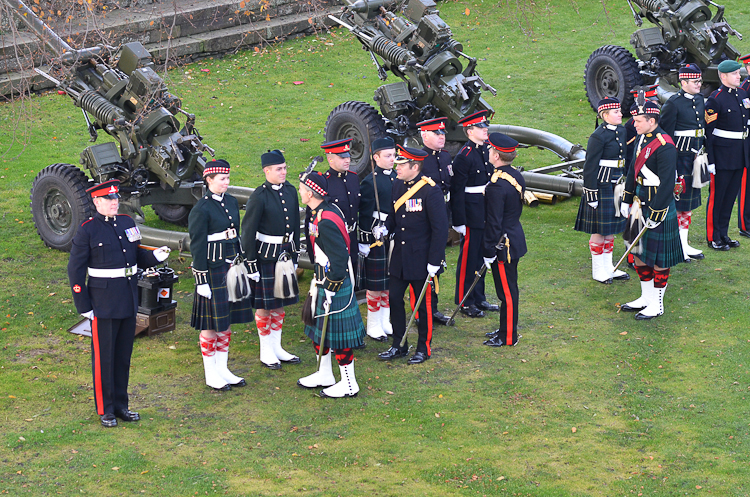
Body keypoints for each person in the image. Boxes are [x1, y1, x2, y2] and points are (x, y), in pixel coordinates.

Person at [68, 179, 169, 427]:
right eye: (108, 200)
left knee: (123, 356)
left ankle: (122, 406)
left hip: (127, 297)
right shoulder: (88, 229)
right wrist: (84, 307)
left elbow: (136, 256)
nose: (114, 203)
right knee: (104, 358)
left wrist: (154, 256)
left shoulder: (126, 222)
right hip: (102, 301)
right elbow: (75, 270)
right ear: (96, 202)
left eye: (115, 199)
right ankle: (106, 409)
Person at [377, 146, 449, 364]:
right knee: (395, 299)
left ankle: (423, 348)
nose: (397, 167)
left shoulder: (431, 190)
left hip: (422, 258)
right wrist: (386, 227)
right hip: (400, 255)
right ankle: (399, 345)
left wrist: (434, 261)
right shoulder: (398, 185)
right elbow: (394, 213)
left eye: (401, 164)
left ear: (415, 167)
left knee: (423, 305)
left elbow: (440, 229)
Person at [297, 170, 366, 398]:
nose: (300, 192)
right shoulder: (323, 211)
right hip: (322, 280)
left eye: (301, 189)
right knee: (320, 332)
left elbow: (339, 258)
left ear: (309, 193)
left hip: (332, 283)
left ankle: (349, 383)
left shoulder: (325, 220)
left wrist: (331, 287)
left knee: (338, 338)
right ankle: (324, 373)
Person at [189, 159, 253, 391]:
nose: (227, 182)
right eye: (222, 179)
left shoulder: (231, 202)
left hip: (231, 267)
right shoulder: (201, 209)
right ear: (209, 180)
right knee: (210, 323)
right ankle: (210, 373)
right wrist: (201, 280)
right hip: (212, 269)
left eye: (227, 178)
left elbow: (235, 235)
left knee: (225, 320)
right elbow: (197, 246)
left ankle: (223, 368)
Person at [620, 101, 681, 320]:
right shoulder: (641, 138)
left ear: (651, 121)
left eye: (637, 121)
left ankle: (657, 303)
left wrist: (656, 213)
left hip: (657, 207)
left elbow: (666, 183)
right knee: (638, 253)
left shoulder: (665, 145)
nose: (633, 124)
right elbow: (631, 171)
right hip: (638, 202)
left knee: (658, 259)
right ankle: (645, 297)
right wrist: (626, 199)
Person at [240, 150, 301, 370]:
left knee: (280, 303)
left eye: (284, 168)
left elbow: (294, 225)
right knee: (265, 306)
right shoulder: (259, 196)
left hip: (285, 255)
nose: (283, 172)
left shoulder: (291, 191)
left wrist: (294, 256)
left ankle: (277, 347)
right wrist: (250, 263)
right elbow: (247, 232)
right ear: (267, 171)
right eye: (279, 169)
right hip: (265, 257)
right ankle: (266, 349)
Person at [574, 97, 630, 283]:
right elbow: (590, 166)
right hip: (601, 186)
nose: (620, 114)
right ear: (605, 115)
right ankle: (598, 270)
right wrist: (591, 194)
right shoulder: (598, 136)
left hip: (617, 185)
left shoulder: (621, 130)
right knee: (599, 230)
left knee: (610, 229)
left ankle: (609, 268)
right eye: (616, 112)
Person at [450, 110, 499, 318]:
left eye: (485, 126)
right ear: (470, 131)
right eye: (480, 127)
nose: (485, 129)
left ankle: (479, 297)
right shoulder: (464, 156)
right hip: (471, 212)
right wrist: (459, 220)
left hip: (485, 208)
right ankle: (464, 300)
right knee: (469, 258)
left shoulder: (486, 149)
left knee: (482, 256)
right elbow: (457, 191)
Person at [481, 133, 527, 347]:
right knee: (508, 290)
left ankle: (509, 336)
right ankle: (504, 328)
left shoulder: (497, 185)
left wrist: (488, 249)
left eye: (491, 150)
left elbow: (494, 222)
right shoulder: (515, 176)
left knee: (506, 293)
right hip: (513, 236)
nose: (489, 152)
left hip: (503, 244)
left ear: (496, 155)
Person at [660, 64, 707, 261]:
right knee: (679, 203)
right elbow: (666, 137)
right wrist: (672, 166)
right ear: (683, 82)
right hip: (681, 159)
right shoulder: (673, 103)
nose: (699, 85)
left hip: (697, 157)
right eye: (695, 82)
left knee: (688, 205)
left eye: (699, 81)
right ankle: (677, 245)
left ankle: (684, 243)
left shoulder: (699, 100)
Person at [704, 60, 750, 249]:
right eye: (735, 74)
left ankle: (723, 234)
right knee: (718, 197)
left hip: (739, 155)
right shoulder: (716, 99)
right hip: (721, 157)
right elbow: (709, 133)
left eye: (738, 74)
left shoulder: (742, 94)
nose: (739, 76)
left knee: (730, 197)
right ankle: (713, 236)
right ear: (723, 76)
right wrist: (711, 160)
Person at [357, 136, 396, 341]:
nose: (392, 159)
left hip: (392, 233)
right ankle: (373, 323)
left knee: (389, 282)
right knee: (375, 284)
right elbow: (364, 213)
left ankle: (385, 320)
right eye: (388, 156)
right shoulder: (369, 181)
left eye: (394, 155)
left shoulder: (397, 176)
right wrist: (364, 240)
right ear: (376, 157)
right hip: (376, 234)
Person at [418, 117, 453, 326]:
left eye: (443, 133)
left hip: (443, 215)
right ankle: (423, 309)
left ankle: (434, 307)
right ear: (424, 135)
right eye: (436, 133)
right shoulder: (419, 160)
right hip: (425, 218)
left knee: (437, 261)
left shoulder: (446, 157)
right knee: (425, 264)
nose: (442, 136)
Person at [319, 138, 360, 261]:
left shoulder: (354, 178)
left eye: (348, 156)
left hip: (353, 236)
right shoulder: (324, 182)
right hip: (335, 239)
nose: (347, 160)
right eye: (342, 157)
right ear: (330, 159)